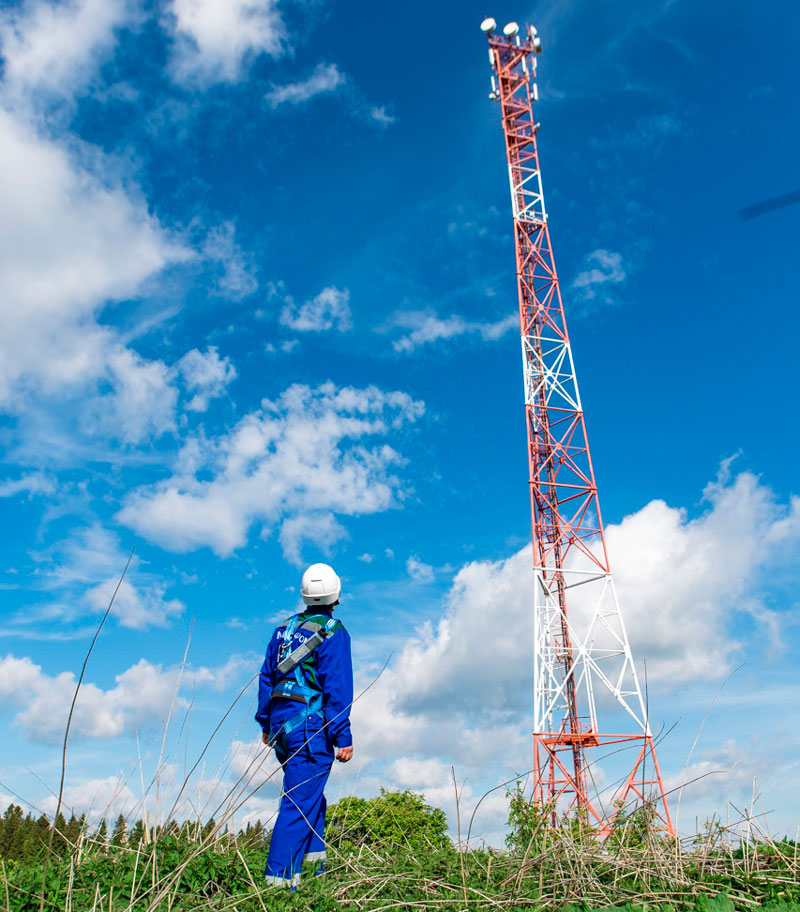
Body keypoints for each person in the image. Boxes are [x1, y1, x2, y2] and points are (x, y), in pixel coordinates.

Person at [255, 562, 354, 888]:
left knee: (310, 797)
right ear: (336, 595)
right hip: (310, 728)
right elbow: (336, 687)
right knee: (299, 804)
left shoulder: (282, 630)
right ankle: (278, 888)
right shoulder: (333, 632)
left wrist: (266, 722)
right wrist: (342, 735)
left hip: (282, 728)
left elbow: (266, 678)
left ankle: (313, 876)